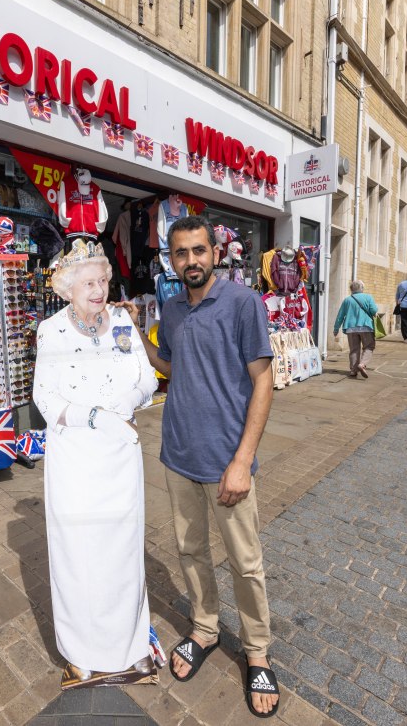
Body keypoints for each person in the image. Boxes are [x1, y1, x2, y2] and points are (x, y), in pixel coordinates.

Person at [118, 216, 280, 718]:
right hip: (178, 454)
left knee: (245, 563)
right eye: (180, 253)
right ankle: (205, 628)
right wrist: (133, 328)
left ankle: (257, 651)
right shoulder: (170, 307)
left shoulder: (241, 303)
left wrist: (243, 460)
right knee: (190, 551)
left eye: (198, 251)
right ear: (171, 259)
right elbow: (168, 364)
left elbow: (263, 380)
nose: (190, 261)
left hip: (226, 460)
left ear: (215, 253)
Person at [32, 239, 159, 680]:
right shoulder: (51, 329)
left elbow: (146, 377)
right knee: (78, 554)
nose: (99, 290)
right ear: (68, 288)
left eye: (103, 280)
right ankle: (82, 652)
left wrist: (123, 403)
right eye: (88, 282)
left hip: (120, 455)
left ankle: (129, 646)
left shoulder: (122, 322)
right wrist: (95, 418)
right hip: (75, 458)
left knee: (122, 552)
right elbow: (43, 397)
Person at [333, 280, 379, 378]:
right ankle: (362, 364)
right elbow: (374, 310)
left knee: (354, 349)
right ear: (362, 288)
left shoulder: (347, 300)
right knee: (369, 347)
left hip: (351, 328)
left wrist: (336, 329)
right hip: (366, 326)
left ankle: (353, 370)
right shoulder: (368, 297)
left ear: (351, 289)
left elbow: (340, 315)